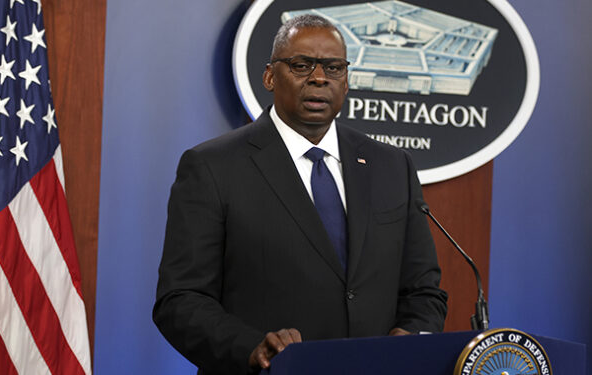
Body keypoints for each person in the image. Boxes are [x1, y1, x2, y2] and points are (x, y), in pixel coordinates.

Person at [153, 14, 447, 375]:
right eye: (301, 64)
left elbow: (423, 290)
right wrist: (251, 347)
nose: (319, 77)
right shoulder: (212, 166)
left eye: (333, 67)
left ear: (347, 80)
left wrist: (411, 335)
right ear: (269, 77)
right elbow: (180, 300)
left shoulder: (392, 166)